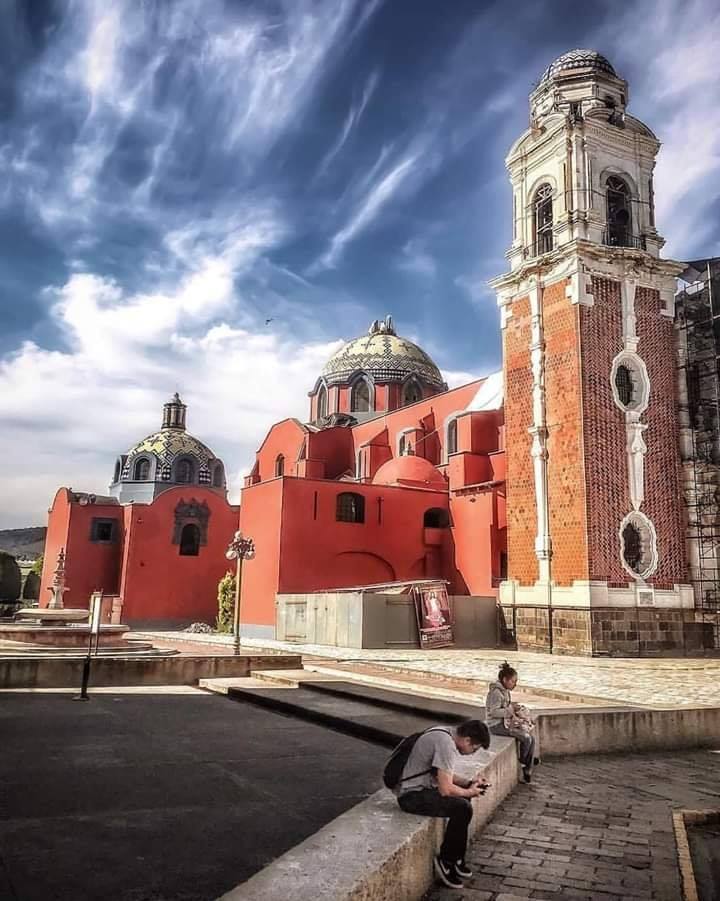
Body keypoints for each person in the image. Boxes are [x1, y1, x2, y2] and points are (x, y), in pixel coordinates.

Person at [395, 719, 490, 890]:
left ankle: (456, 858)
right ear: (467, 740)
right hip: (411, 797)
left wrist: (469, 783)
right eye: (474, 749)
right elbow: (446, 789)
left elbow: (442, 774)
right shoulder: (446, 745)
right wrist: (471, 792)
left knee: (463, 802)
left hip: (419, 790)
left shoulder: (443, 733)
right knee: (462, 807)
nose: (472, 753)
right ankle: (446, 861)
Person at [485, 661, 539, 783]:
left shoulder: (505, 691)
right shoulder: (496, 693)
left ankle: (528, 764)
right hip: (497, 725)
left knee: (531, 738)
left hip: (506, 722)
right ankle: (525, 763)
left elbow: (506, 707)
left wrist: (515, 708)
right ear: (505, 680)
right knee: (526, 738)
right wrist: (510, 710)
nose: (515, 684)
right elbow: (494, 712)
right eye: (513, 681)